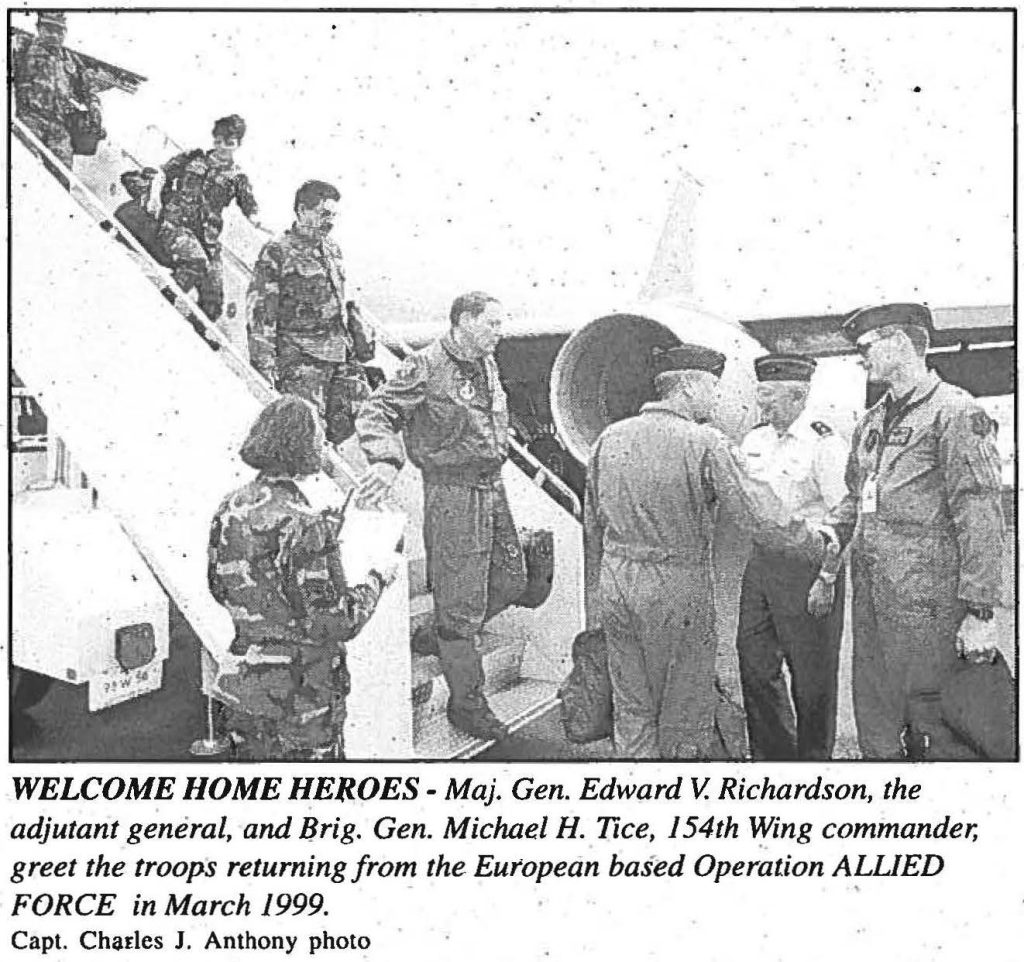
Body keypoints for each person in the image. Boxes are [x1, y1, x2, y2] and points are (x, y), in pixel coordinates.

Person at [583, 344, 830, 759]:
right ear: (690, 387)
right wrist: (815, 542)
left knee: (633, 707)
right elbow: (758, 513)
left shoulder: (609, 437)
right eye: (713, 388)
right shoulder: (703, 441)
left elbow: (592, 523)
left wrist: (597, 598)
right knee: (684, 706)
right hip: (675, 587)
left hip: (616, 582)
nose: (716, 399)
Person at [816, 303, 1005, 760]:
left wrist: (980, 611)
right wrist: (825, 541)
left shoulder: (956, 412)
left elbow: (979, 509)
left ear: (901, 342)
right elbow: (855, 498)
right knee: (876, 721)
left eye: (867, 346)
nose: (862, 357)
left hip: (931, 606)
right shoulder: (871, 421)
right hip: (875, 603)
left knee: (939, 730)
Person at [355, 291, 527, 741]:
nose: (499, 331)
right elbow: (376, 410)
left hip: (492, 487)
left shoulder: (485, 364)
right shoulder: (426, 366)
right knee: (462, 607)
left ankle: (444, 635)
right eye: (491, 323)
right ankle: (466, 702)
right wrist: (384, 460)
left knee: (512, 579)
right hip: (453, 494)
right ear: (463, 321)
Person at [207, 395, 397, 761]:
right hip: (301, 701)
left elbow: (220, 587)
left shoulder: (229, 507)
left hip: (244, 687)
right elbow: (335, 621)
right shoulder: (306, 522)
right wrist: (376, 579)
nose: (324, 441)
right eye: (319, 434)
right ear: (301, 444)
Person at [736, 354, 849, 760]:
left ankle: (815, 762)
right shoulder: (754, 441)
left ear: (798, 396)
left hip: (809, 565)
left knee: (813, 674)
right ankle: (774, 759)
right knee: (754, 664)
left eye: (770, 399)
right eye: (760, 397)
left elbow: (844, 516)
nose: (763, 407)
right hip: (763, 563)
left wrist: (828, 578)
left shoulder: (825, 443)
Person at [248, 180, 376, 445]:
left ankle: (324, 451)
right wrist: (264, 362)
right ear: (302, 210)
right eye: (323, 213)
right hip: (301, 358)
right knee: (306, 430)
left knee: (359, 406)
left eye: (332, 215)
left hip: (337, 353)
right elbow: (262, 309)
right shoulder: (278, 250)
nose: (329, 221)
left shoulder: (332, 249)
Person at [155, 114, 260, 324]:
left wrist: (257, 221)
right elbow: (162, 173)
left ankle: (200, 331)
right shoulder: (193, 158)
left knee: (213, 294)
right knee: (196, 261)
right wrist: (157, 200)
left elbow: (251, 208)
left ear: (237, 144)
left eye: (229, 143)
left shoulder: (238, 178)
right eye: (218, 141)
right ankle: (161, 302)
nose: (222, 148)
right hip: (176, 224)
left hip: (207, 237)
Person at [13, 11, 104, 171]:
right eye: (48, 29)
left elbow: (88, 89)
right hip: (30, 119)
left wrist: (94, 106)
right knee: (27, 166)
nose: (54, 35)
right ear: (38, 28)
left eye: (59, 30)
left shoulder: (70, 59)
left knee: (63, 172)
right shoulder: (22, 47)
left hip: (59, 124)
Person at [113, 168, 170, 266]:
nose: (132, 186)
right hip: (154, 257)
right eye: (128, 185)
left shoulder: (166, 199)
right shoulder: (124, 212)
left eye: (134, 182)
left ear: (148, 182)